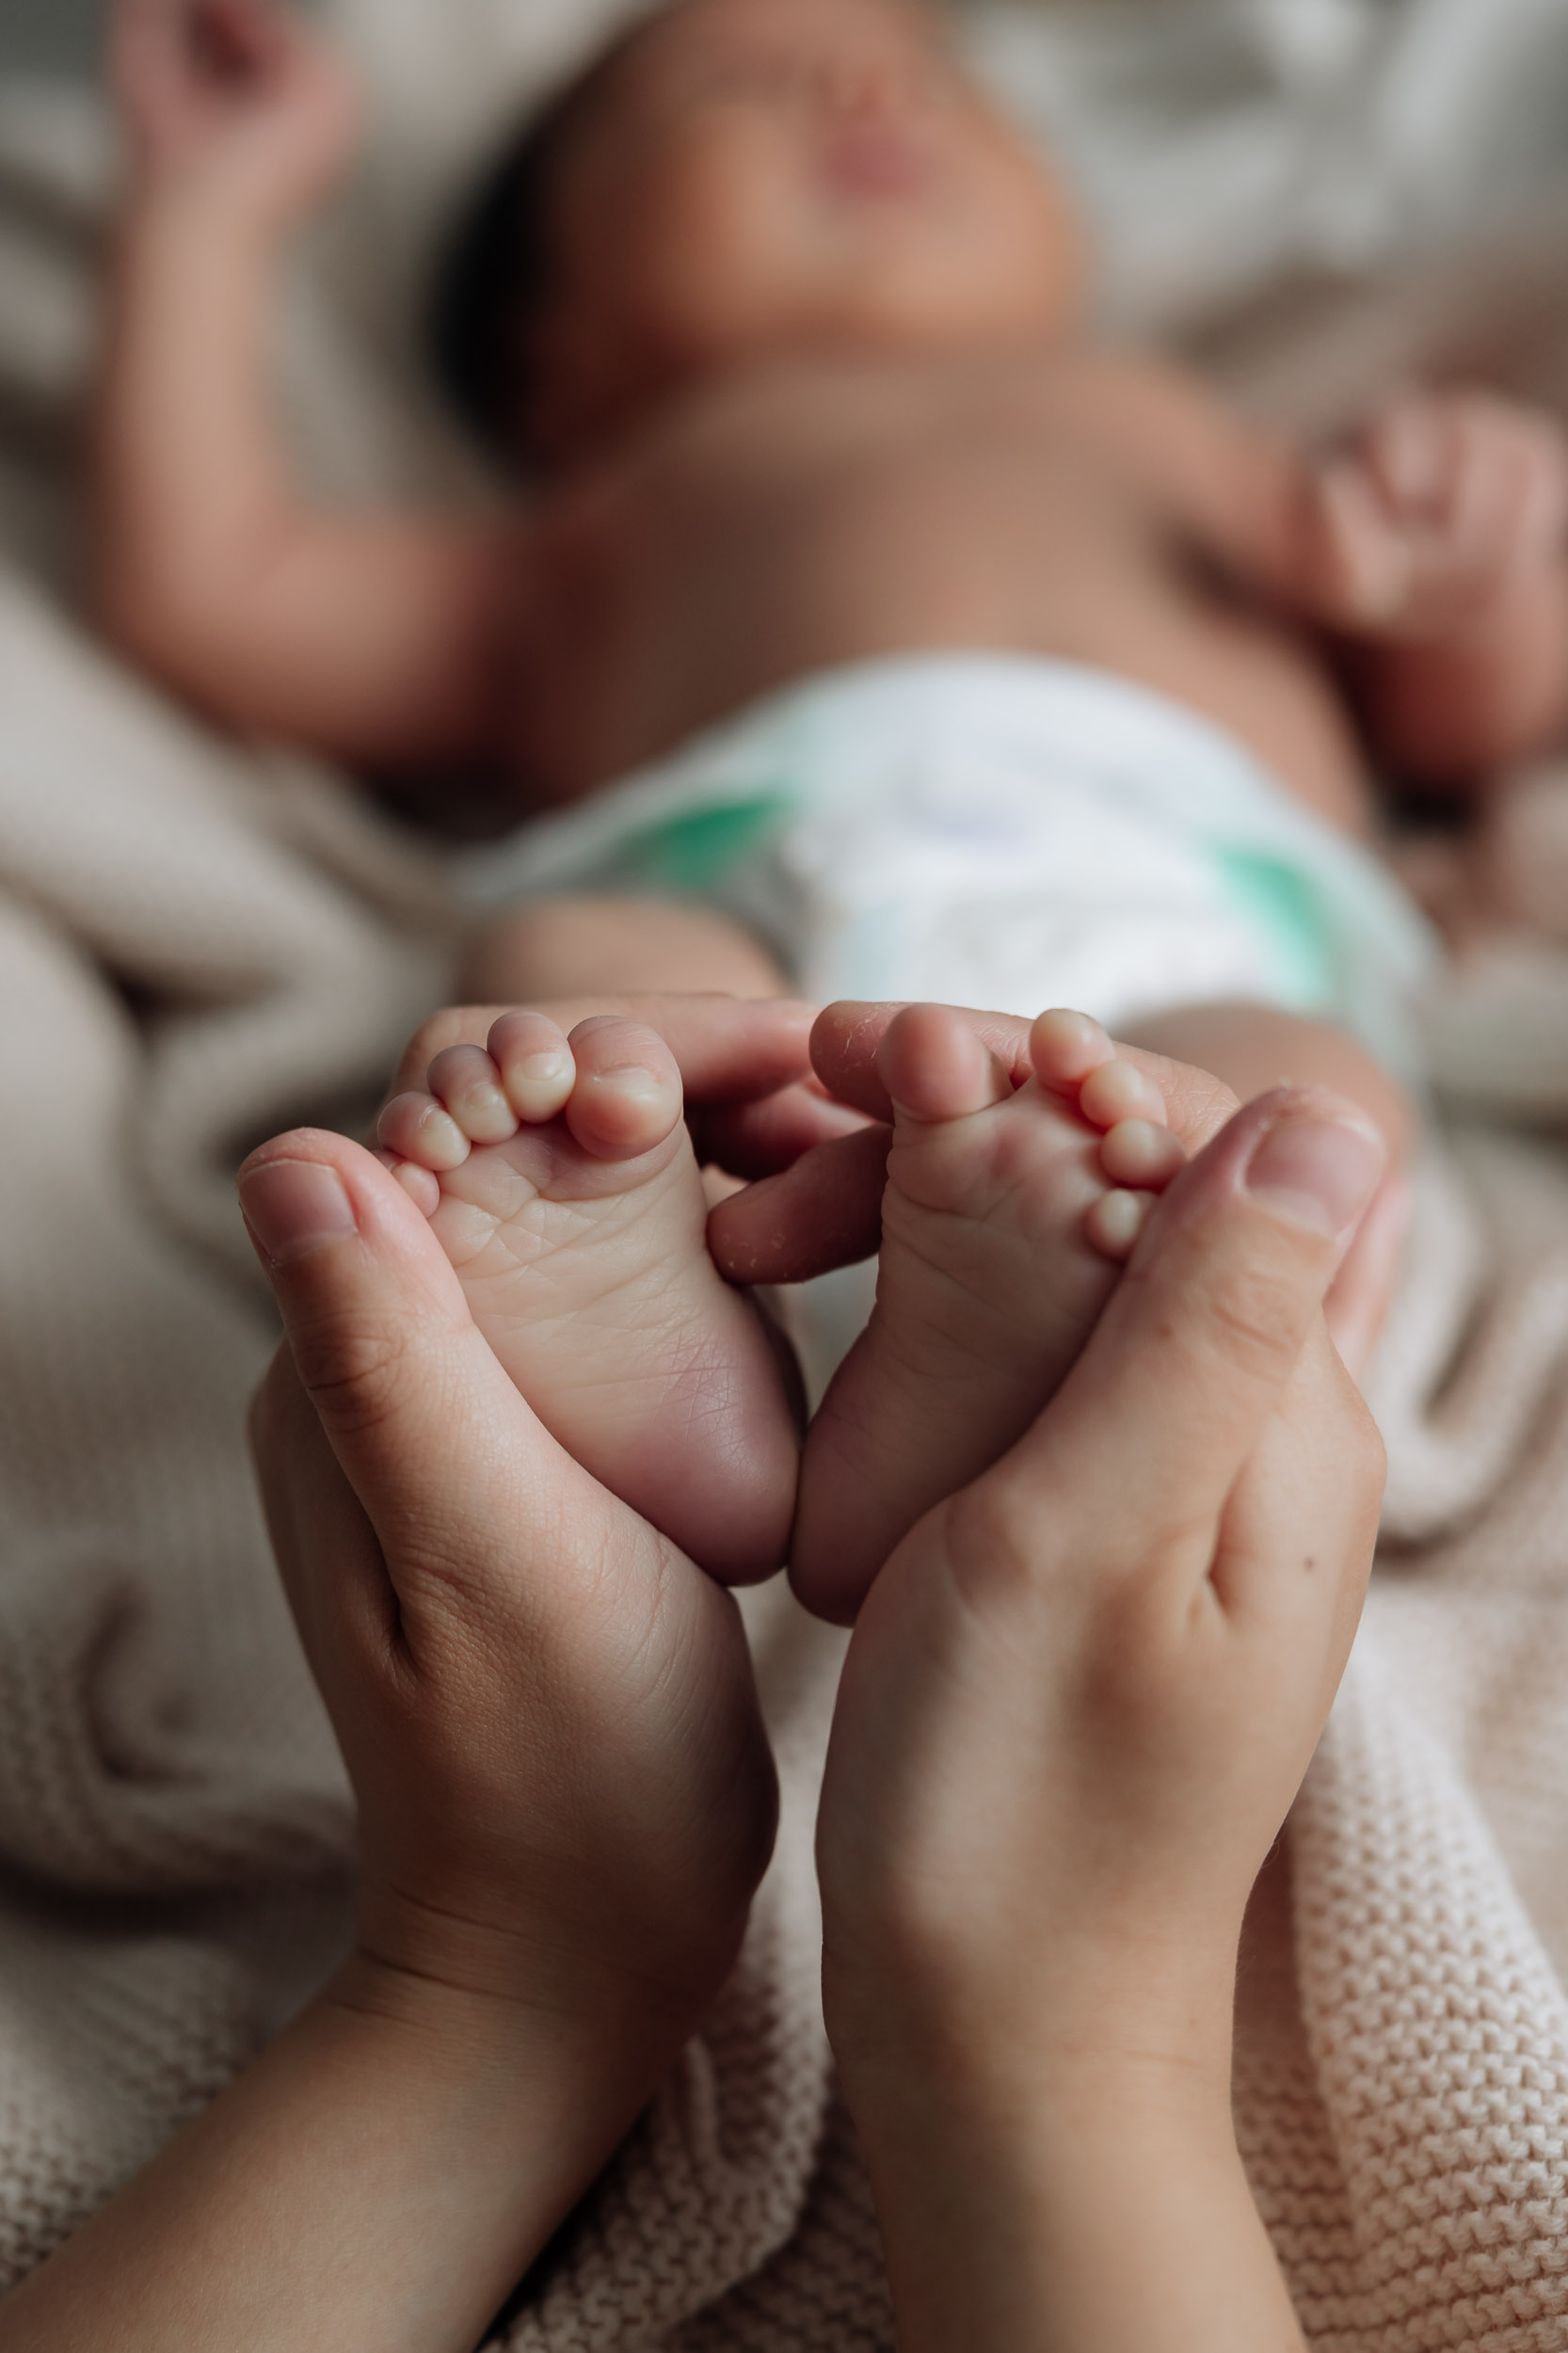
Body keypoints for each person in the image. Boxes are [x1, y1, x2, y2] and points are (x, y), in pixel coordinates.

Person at [97, 0, 1442, 1609]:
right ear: (556, 355)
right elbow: (216, 591)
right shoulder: (606, 516)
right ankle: (638, 1303)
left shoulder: (1190, 438)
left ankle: (1026, 1337)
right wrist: (209, 202)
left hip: (1196, 919)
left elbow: (1451, 717)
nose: (862, 79)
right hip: (738, 925)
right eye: (728, 88)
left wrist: (1463, 572)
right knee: (574, 983)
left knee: (1302, 1101)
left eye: (938, 77)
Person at [0, 993, 1390, 2350]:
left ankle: (650, 1208)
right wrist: (1070, 2027)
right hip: (940, 958)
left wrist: (501, 1961)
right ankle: (881, 1296)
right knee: (1236, 1075)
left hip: (1089, 937)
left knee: (1244, 1033)